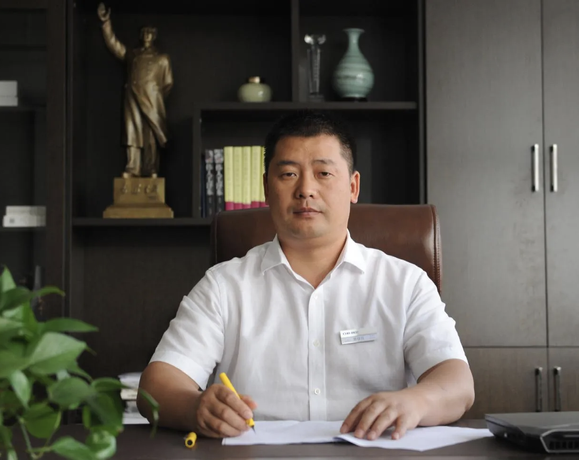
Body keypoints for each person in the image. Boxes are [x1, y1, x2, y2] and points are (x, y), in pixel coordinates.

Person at [137, 111, 474, 441]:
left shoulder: (405, 284)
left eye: (324, 173)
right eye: (288, 174)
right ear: (266, 188)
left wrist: (416, 401)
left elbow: (457, 383)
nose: (306, 190)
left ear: (353, 186)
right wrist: (195, 407)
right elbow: (157, 386)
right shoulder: (223, 286)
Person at [97, 3, 173, 178]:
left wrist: (155, 96)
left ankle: (151, 168)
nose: (146, 35)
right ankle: (133, 167)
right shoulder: (132, 54)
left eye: (150, 32)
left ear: (154, 36)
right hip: (132, 98)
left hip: (152, 101)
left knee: (151, 136)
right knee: (132, 133)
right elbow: (114, 45)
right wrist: (106, 23)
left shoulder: (162, 59)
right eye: (144, 32)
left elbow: (168, 84)